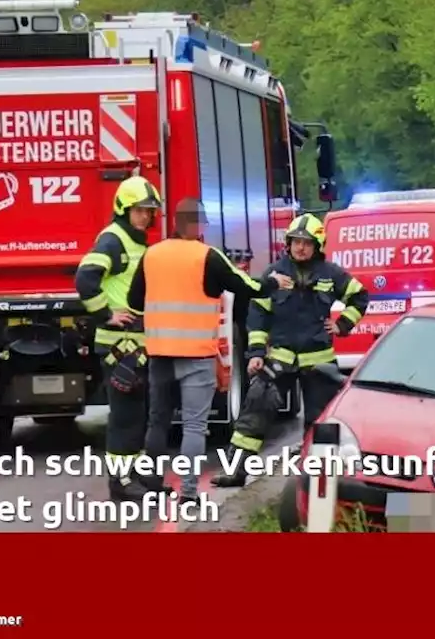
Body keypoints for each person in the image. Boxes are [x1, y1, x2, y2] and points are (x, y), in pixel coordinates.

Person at [126, 198, 292, 507]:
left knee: (157, 421)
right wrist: (273, 282)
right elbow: (245, 286)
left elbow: (135, 300)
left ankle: (151, 485)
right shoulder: (208, 257)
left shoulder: (152, 255)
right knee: (193, 426)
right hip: (196, 355)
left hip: (160, 353)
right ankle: (188, 493)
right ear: (199, 225)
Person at [212, 213, 369, 488]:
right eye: (296, 242)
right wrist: (257, 353)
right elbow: (258, 314)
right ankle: (235, 470)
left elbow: (359, 296)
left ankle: (318, 481)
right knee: (255, 410)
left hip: (319, 360)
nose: (300, 247)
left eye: (307, 243)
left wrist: (343, 324)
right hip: (280, 357)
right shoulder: (275, 274)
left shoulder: (331, 274)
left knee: (321, 421)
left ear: (318, 245)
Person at [75, 176, 161, 502]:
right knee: (125, 415)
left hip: (134, 343)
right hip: (117, 343)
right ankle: (121, 483)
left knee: (138, 412)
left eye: (150, 211)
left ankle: (135, 476)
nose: (146, 217)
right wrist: (106, 313)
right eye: (140, 210)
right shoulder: (113, 240)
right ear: (124, 209)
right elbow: (85, 277)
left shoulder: (133, 240)